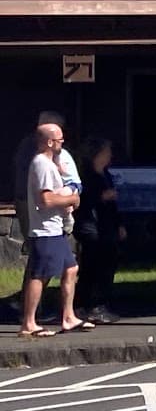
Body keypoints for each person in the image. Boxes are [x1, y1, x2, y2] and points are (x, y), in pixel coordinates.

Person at [18, 123, 92, 337]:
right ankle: (29, 323)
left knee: (70, 268)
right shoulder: (42, 164)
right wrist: (71, 198)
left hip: (55, 228)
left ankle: (68, 317)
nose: (62, 143)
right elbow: (46, 199)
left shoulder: (50, 164)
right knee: (40, 274)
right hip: (45, 230)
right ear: (49, 142)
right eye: (59, 140)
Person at [74, 137, 123, 324]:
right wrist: (101, 196)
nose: (110, 155)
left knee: (107, 263)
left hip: (106, 225)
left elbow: (113, 205)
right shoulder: (86, 175)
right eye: (107, 151)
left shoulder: (106, 174)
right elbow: (83, 201)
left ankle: (99, 303)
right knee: (90, 266)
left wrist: (119, 224)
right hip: (90, 225)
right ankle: (86, 304)